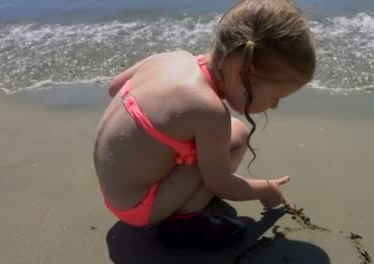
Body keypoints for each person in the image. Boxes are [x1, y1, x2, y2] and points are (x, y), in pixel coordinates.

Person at [93, 0, 316, 248]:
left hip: (113, 191)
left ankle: (181, 196)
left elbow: (114, 87)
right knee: (229, 145)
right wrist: (265, 189)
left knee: (233, 133)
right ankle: (183, 222)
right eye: (275, 97)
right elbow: (220, 183)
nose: (273, 106)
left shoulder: (172, 58)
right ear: (242, 72)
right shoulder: (209, 111)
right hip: (137, 208)